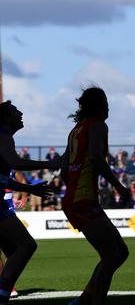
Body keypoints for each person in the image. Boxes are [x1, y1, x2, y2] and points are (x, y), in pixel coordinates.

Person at [60, 87, 130, 305]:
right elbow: (98, 159)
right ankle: (94, 301)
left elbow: (64, 170)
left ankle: (85, 298)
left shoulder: (76, 130)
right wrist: (119, 186)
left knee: (119, 252)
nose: (108, 105)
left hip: (75, 199)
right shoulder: (98, 126)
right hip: (83, 200)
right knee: (113, 255)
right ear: (100, 105)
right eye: (106, 101)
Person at [0, 101, 57, 305]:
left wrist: (29, 189)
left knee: (15, 250)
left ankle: (3, 293)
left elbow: (4, 179)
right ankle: (3, 294)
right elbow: (16, 163)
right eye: (16, 111)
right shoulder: (4, 135)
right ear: (7, 118)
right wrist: (50, 164)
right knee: (26, 245)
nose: (21, 113)